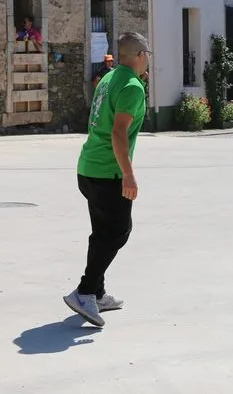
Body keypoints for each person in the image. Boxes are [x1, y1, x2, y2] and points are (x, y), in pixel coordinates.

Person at [64, 32, 151, 327]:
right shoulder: (131, 86)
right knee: (118, 231)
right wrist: (128, 175)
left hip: (88, 167)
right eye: (147, 54)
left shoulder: (109, 78)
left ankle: (97, 293)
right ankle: (85, 291)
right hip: (107, 172)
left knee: (102, 232)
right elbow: (118, 132)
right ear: (140, 55)